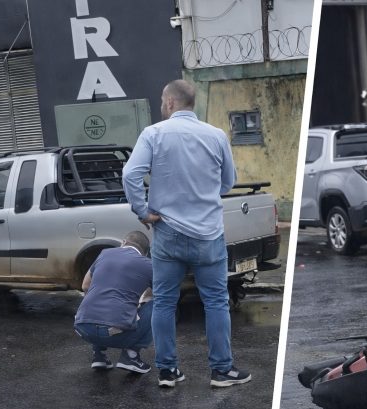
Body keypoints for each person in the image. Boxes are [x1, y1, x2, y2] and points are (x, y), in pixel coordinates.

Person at [122, 79, 251, 389]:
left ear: (169, 103)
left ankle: (167, 371)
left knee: (165, 302)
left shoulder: (153, 134)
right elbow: (227, 183)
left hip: (168, 232)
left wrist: (143, 211)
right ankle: (221, 370)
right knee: (216, 302)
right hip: (208, 233)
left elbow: (130, 174)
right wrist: (204, 194)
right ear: (192, 103)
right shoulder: (217, 135)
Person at [74, 231, 154, 374]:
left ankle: (99, 355)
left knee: (97, 304)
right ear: (145, 252)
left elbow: (85, 286)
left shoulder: (105, 253)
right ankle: (131, 356)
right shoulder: (148, 264)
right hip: (113, 333)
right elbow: (162, 294)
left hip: (83, 328)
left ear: (123, 242)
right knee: (158, 306)